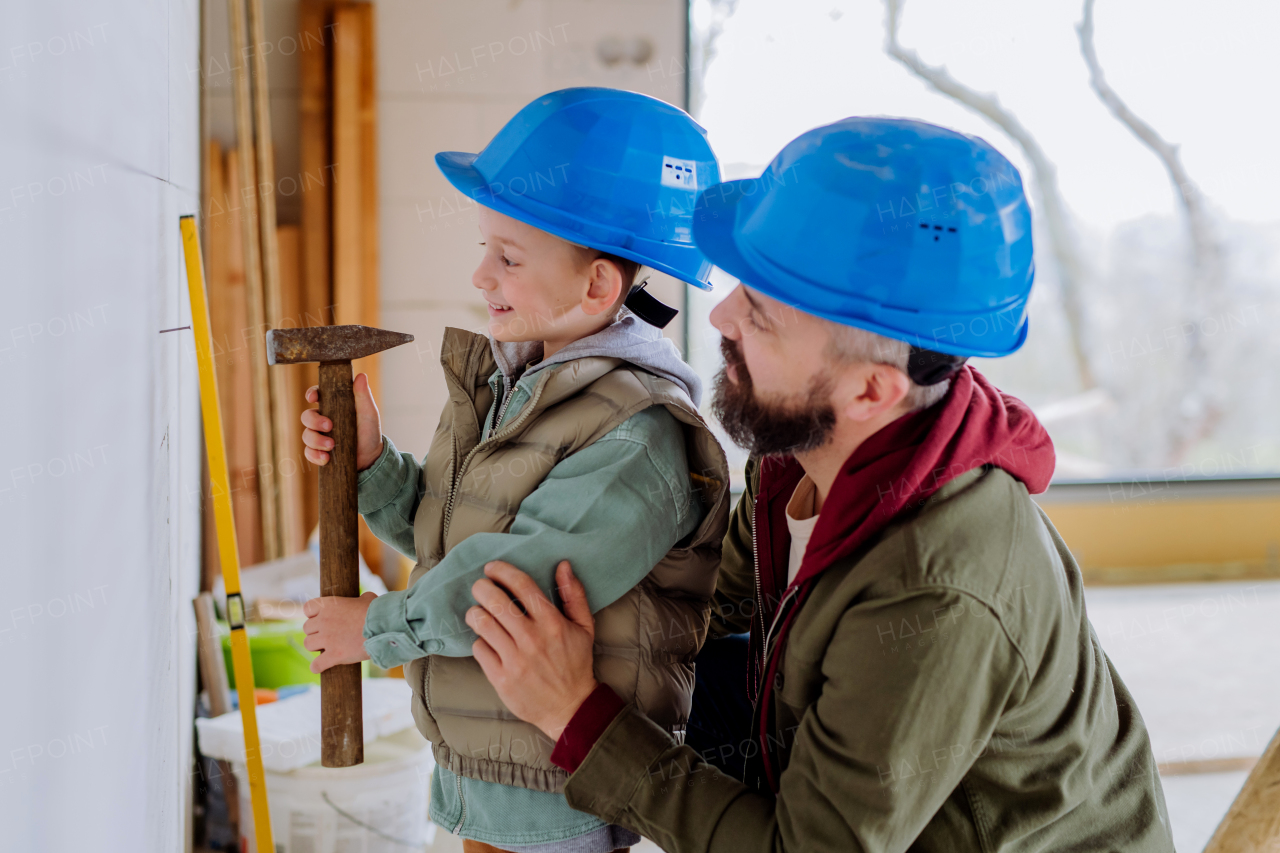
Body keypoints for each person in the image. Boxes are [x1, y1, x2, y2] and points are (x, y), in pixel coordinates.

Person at [460, 117, 1175, 852]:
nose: (723, 314)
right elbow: (707, 603)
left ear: (870, 390)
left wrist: (580, 716)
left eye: (762, 317)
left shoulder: (936, 590)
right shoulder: (802, 445)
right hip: (829, 746)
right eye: (746, 285)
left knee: (597, 713)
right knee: (648, 663)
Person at [296, 88, 731, 853]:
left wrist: (379, 628)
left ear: (597, 286)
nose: (480, 276)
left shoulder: (640, 433)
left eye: (508, 257)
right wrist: (372, 463)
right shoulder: (516, 382)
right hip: (481, 773)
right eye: (484, 247)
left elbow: (510, 582)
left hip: (558, 791)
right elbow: (449, 527)